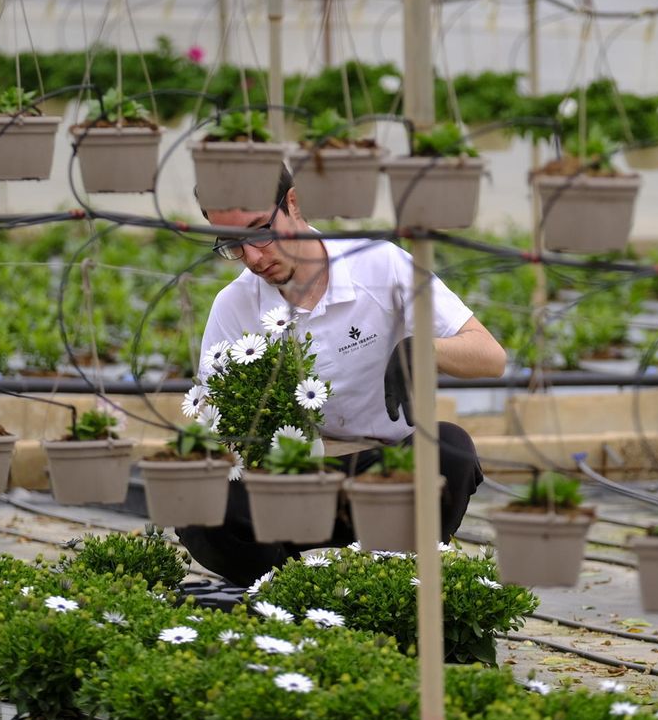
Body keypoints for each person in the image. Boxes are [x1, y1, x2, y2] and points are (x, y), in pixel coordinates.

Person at [177, 166, 507, 585]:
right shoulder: (234, 306)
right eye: (233, 245)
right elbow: (213, 421)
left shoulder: (377, 266)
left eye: (260, 231)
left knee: (451, 451)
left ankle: (391, 577)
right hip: (288, 490)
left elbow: (490, 356)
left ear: (293, 203)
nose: (253, 258)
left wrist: (421, 349)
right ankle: (285, 586)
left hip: (380, 481)